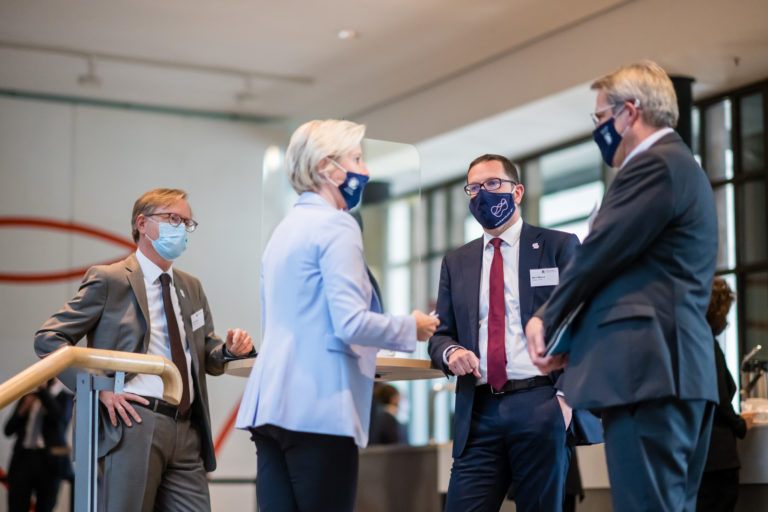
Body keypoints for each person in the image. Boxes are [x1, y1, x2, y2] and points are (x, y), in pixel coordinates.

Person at [526, 61, 719, 512]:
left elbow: (599, 253)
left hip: (649, 374)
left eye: (599, 117)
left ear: (629, 112)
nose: (597, 129)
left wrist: (546, 320)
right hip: (670, 371)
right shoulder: (679, 166)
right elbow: (631, 277)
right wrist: (575, 342)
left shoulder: (653, 164)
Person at [235, 119, 439, 512]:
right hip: (319, 404)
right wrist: (411, 327)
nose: (366, 171)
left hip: (270, 404)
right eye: (357, 159)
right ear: (325, 167)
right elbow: (351, 322)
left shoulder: (284, 230)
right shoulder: (337, 225)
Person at [34, 188, 254, 512]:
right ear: (142, 224)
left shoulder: (191, 286)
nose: (182, 228)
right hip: (133, 421)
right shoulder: (109, 280)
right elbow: (49, 338)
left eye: (187, 223)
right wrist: (99, 388)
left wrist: (230, 350)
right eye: (173, 218)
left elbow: (205, 352)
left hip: (188, 427)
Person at [428, 154, 601, 512]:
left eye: (493, 183)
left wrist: (564, 399)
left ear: (517, 192)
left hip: (540, 401)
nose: (482, 194)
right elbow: (440, 334)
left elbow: (586, 321)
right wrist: (451, 352)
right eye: (474, 188)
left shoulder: (558, 246)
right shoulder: (456, 262)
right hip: (478, 410)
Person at [697, 277, 755, 512]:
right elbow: (719, 399)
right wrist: (740, 424)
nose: (728, 322)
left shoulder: (692, 344)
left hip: (700, 457)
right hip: (718, 459)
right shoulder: (708, 346)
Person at [4, 379, 73, 512]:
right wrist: (21, 411)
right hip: (23, 458)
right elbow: (8, 430)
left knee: (46, 506)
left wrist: (42, 391)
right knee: (16, 505)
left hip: (49, 461)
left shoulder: (66, 397)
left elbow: (59, 418)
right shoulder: (28, 397)